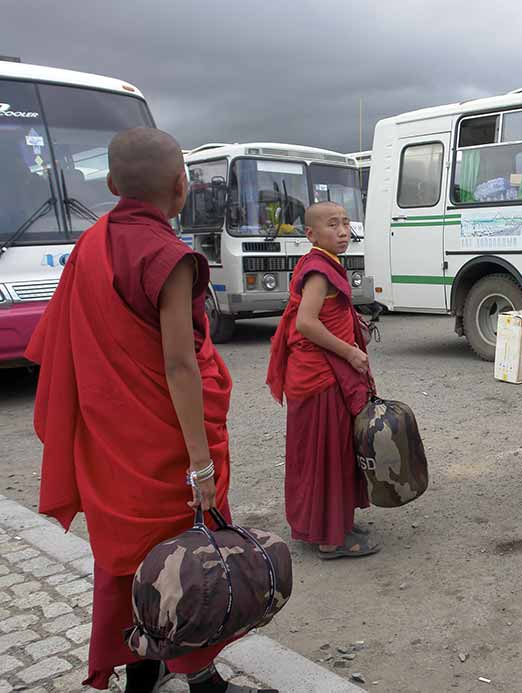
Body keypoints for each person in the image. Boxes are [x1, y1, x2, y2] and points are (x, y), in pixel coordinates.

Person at [25, 128, 274, 693]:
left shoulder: (90, 245)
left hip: (113, 438)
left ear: (111, 184)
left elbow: (59, 342)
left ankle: (144, 674)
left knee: (130, 564)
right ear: (182, 187)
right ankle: (202, 680)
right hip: (165, 444)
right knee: (185, 561)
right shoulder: (171, 256)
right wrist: (200, 465)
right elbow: (179, 366)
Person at [267, 201, 379, 557]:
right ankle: (331, 539)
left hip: (322, 373)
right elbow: (306, 323)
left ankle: (335, 522)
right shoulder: (318, 271)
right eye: (333, 225)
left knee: (333, 452)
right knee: (327, 454)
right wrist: (349, 352)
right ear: (311, 234)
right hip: (321, 376)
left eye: (346, 223)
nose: (343, 231)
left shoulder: (323, 263)